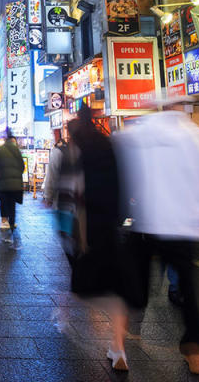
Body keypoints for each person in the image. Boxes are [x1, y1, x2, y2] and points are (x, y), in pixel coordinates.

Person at [113, 103, 199, 376]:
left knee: (133, 286)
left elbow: (122, 176)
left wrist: (122, 216)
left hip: (146, 223)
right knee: (191, 292)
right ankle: (196, 355)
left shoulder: (138, 135)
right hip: (186, 227)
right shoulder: (197, 136)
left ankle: (119, 348)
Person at [64, 105, 134, 372]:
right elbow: (123, 182)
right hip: (111, 223)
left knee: (87, 281)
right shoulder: (109, 145)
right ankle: (118, 348)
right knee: (116, 286)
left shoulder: (77, 149)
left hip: (86, 224)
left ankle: (77, 318)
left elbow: (71, 187)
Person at [0, 131, 24, 232]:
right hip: (15, 183)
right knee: (12, 202)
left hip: (3, 182)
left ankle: (4, 220)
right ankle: (12, 221)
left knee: (3, 201)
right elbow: (22, 166)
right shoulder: (16, 150)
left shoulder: (0, 150)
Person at [43, 126, 70, 207]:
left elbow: (51, 175)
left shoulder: (56, 152)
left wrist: (48, 196)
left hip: (61, 196)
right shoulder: (74, 150)